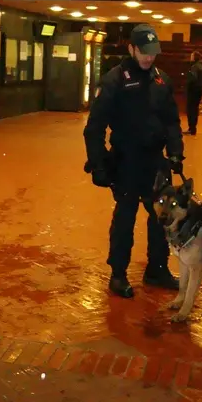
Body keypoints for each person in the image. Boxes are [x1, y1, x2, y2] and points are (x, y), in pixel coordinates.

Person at [83, 24, 185, 298]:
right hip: (127, 162)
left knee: (160, 220)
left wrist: (175, 152)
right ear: (131, 48)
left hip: (155, 163)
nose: (149, 58)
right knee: (125, 219)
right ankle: (118, 274)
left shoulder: (161, 80)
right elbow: (94, 128)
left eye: (153, 53)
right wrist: (99, 163)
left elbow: (172, 121)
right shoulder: (114, 80)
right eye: (143, 52)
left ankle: (157, 269)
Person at [185, 51, 202, 135]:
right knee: (194, 109)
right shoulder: (200, 66)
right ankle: (193, 128)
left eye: (191, 56)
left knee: (191, 109)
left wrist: (187, 87)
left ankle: (191, 128)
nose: (190, 57)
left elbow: (192, 79)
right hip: (198, 91)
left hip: (193, 91)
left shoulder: (194, 67)